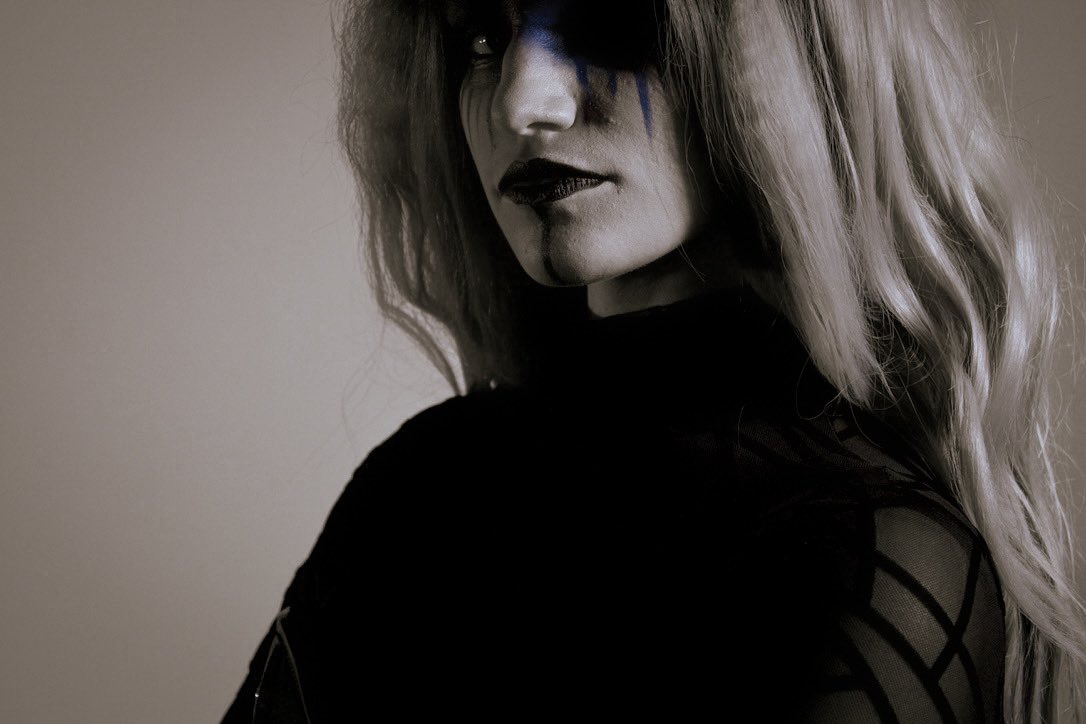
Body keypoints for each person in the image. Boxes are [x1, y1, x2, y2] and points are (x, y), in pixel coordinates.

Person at [223, 0, 1086, 720]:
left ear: (787, 45)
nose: (521, 103)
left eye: (610, 21)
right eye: (482, 36)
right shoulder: (428, 480)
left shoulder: (867, 556)